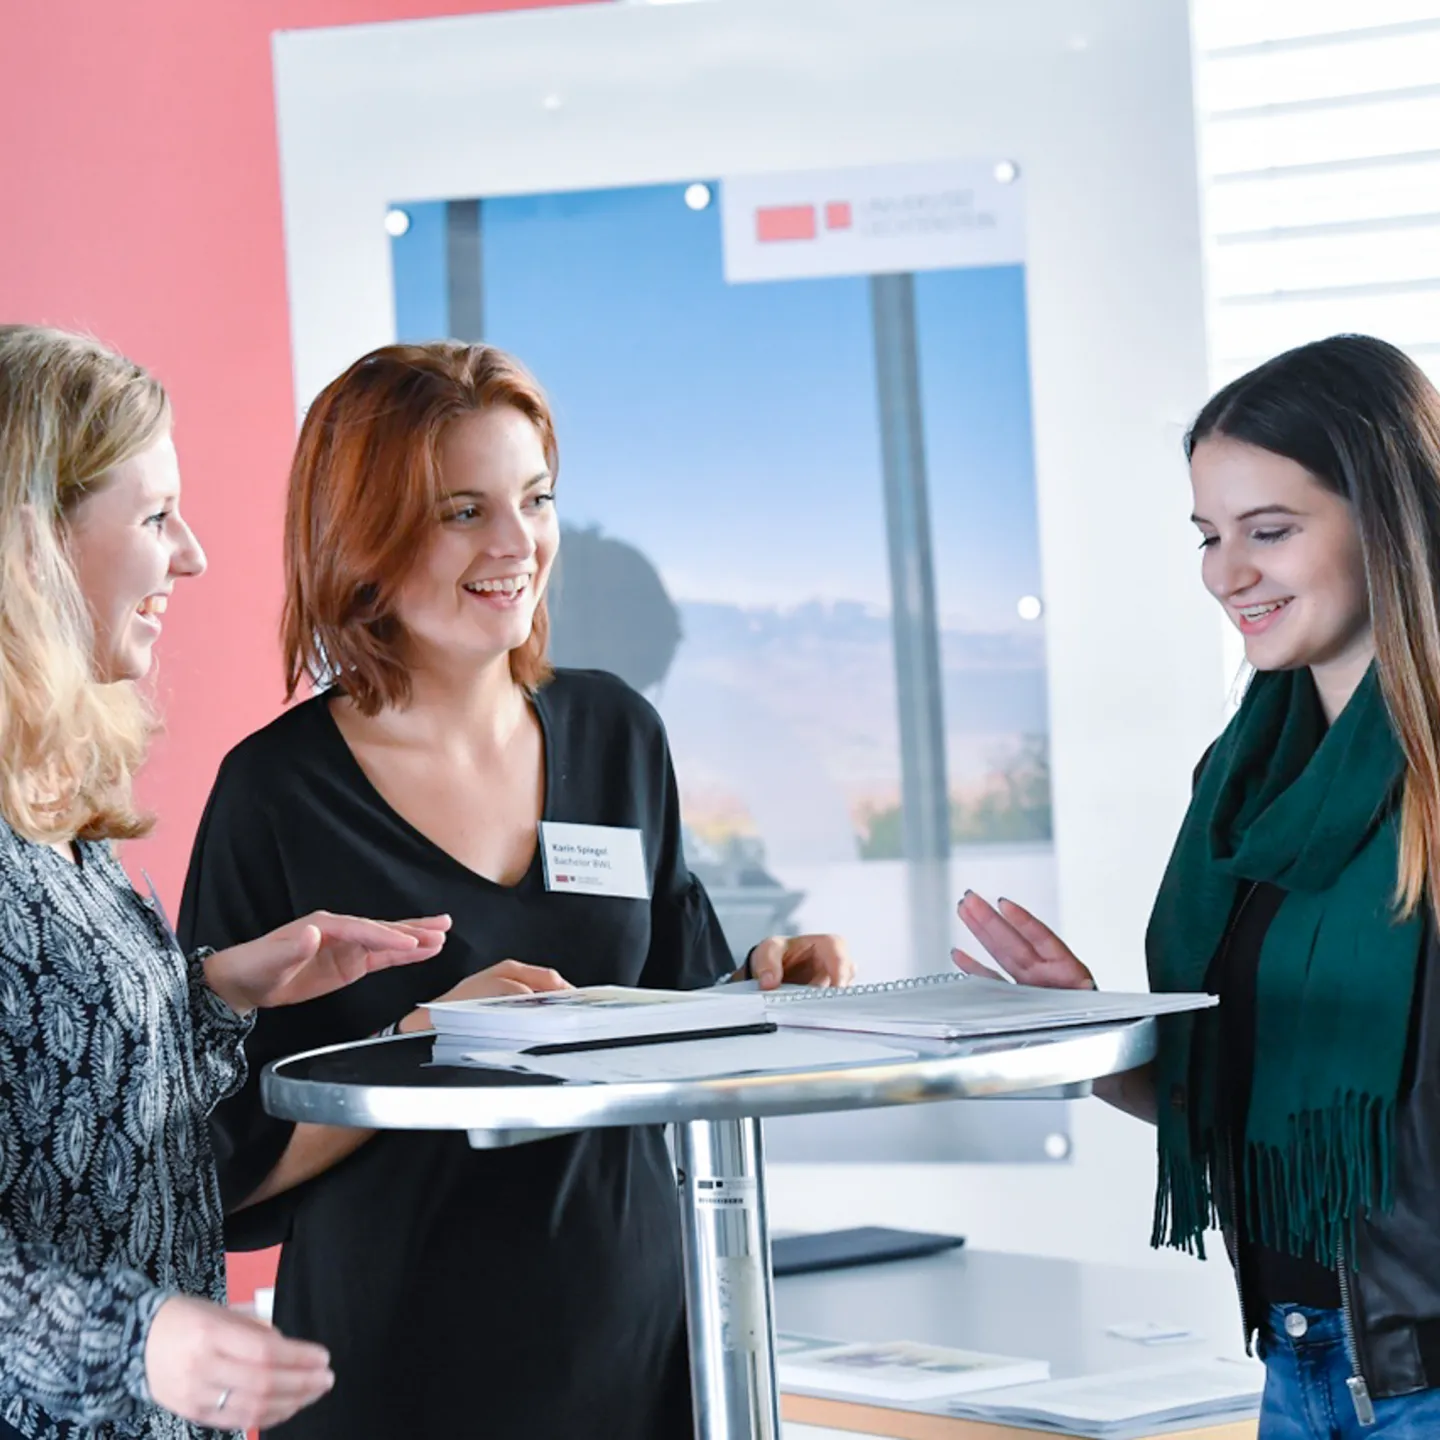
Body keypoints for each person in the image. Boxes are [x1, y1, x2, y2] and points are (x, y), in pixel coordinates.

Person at [176, 340, 854, 1439]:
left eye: (534, 499)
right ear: (362, 534)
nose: (515, 544)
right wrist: (427, 1040)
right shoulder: (275, 793)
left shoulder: (617, 731)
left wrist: (768, 986)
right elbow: (218, 1172)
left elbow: (675, 1018)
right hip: (395, 1364)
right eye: (460, 511)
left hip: (638, 1339)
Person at [955, 335, 1440, 1437]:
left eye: (1269, 531)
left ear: (1390, 516)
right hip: (1304, 1365)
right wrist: (1092, 1031)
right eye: (1210, 536)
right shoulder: (1242, 786)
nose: (1226, 574)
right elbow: (1236, 1106)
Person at [0, 327, 454, 1440]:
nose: (192, 556)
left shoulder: (53, 819)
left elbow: (64, 1096)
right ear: (34, 542)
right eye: (155, 518)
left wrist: (217, 993)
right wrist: (142, 1339)